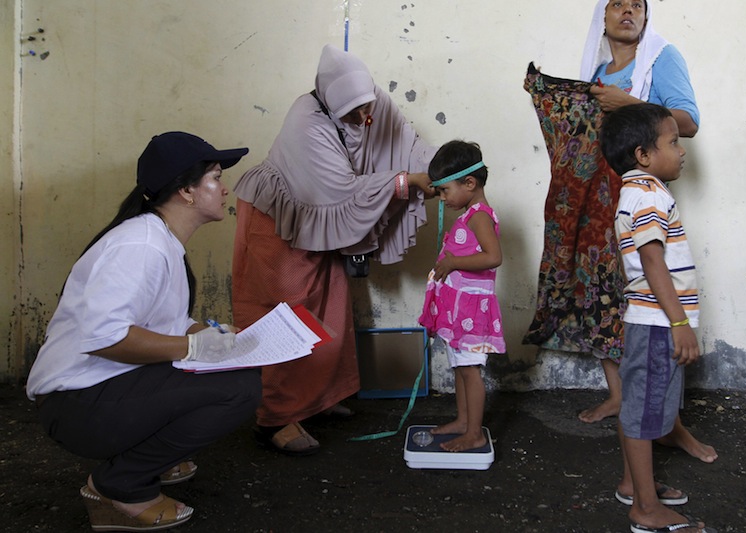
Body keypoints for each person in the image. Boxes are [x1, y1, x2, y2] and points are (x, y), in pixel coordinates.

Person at [25, 132, 262, 531]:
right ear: (186, 190)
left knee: (237, 369)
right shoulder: (142, 246)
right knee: (239, 388)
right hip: (74, 405)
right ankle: (121, 485)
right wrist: (195, 346)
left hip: (98, 390)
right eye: (215, 178)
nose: (224, 190)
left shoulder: (161, 240)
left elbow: (164, 325)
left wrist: (215, 337)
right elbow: (108, 338)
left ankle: (151, 457)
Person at [523, 1, 715, 465]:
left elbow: (685, 123)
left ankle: (670, 425)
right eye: (617, 3)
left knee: (646, 299)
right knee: (602, 294)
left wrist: (626, 103)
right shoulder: (599, 70)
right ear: (602, 16)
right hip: (597, 204)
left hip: (637, 202)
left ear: (646, 18)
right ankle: (618, 395)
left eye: (638, 5)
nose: (628, 11)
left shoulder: (660, 57)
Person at [232, 44, 437, 455]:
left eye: (367, 107)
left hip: (321, 223)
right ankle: (275, 419)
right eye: (354, 112)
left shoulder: (362, 98)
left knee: (329, 309)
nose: (366, 118)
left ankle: (315, 400)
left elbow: (405, 141)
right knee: (282, 317)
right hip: (280, 222)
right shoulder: (305, 123)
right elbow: (341, 193)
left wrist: (445, 169)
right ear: (329, 101)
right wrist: (405, 183)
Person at [601, 103, 711, 533]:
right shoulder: (647, 196)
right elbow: (652, 263)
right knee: (643, 413)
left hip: (651, 321)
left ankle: (633, 485)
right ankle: (645, 510)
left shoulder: (641, 192)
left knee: (642, 407)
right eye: (672, 142)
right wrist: (680, 323)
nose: (681, 151)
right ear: (643, 155)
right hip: (656, 324)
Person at [418, 141, 505, 452]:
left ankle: (475, 433)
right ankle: (463, 421)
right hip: (458, 309)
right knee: (459, 367)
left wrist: (453, 262)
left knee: (470, 370)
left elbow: (494, 257)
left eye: (445, 190)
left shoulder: (480, 216)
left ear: (470, 183)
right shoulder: (469, 213)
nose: (442, 198)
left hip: (472, 311)